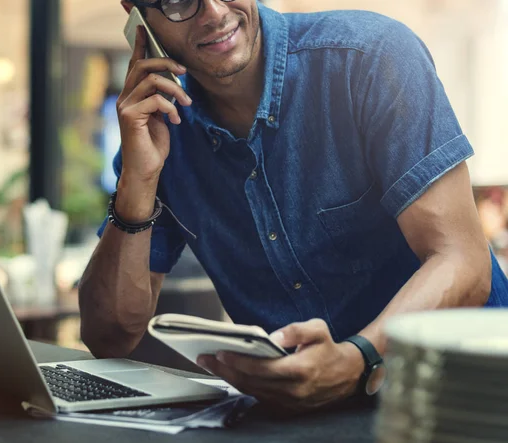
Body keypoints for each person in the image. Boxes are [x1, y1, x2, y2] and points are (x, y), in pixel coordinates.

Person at [78, 0, 508, 411]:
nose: (214, 13)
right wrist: (138, 182)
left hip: (468, 394)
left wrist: (358, 360)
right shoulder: (160, 125)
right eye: (177, 1)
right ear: (135, 15)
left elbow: (463, 261)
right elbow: (110, 337)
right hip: (304, 419)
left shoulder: (370, 57)